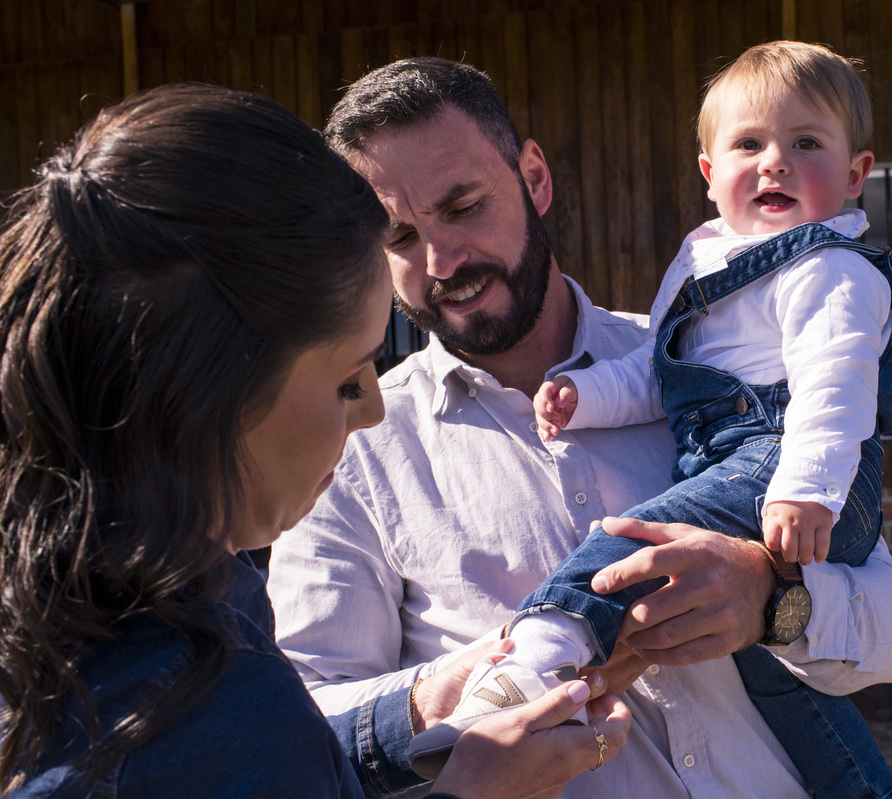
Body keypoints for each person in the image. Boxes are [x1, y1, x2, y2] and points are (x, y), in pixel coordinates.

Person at [269, 56, 892, 798]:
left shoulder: (706, 368)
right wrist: (464, 684)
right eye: (401, 237)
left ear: (535, 179)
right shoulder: (351, 451)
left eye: (463, 207)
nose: (442, 260)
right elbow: (302, 726)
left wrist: (772, 602)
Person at [0, 82, 629, 799]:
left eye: (463, 207)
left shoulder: (158, 608)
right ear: (219, 388)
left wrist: (421, 705)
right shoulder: (188, 700)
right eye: (346, 379)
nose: (369, 411)